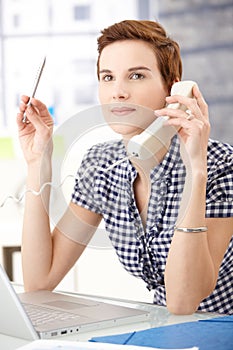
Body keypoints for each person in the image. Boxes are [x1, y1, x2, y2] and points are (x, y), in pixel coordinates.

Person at [17, 19, 233, 315]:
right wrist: (37, 161)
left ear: (173, 88)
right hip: (164, 331)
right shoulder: (102, 164)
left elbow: (183, 301)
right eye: (107, 77)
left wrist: (196, 169)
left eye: (136, 76)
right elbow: (39, 281)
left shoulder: (220, 164)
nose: (118, 92)